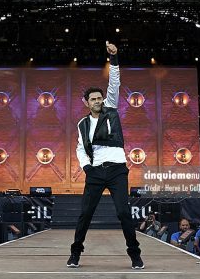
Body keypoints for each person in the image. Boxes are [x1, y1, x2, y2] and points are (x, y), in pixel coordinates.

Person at [67, 42, 143, 269]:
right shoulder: (82, 123)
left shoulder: (111, 110)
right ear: (86, 102)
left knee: (123, 212)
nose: (98, 101)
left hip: (118, 169)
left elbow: (115, 83)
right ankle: (75, 254)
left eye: (100, 98)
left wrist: (114, 58)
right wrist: (86, 167)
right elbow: (80, 148)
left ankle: (135, 254)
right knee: (85, 215)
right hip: (95, 171)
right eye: (93, 99)